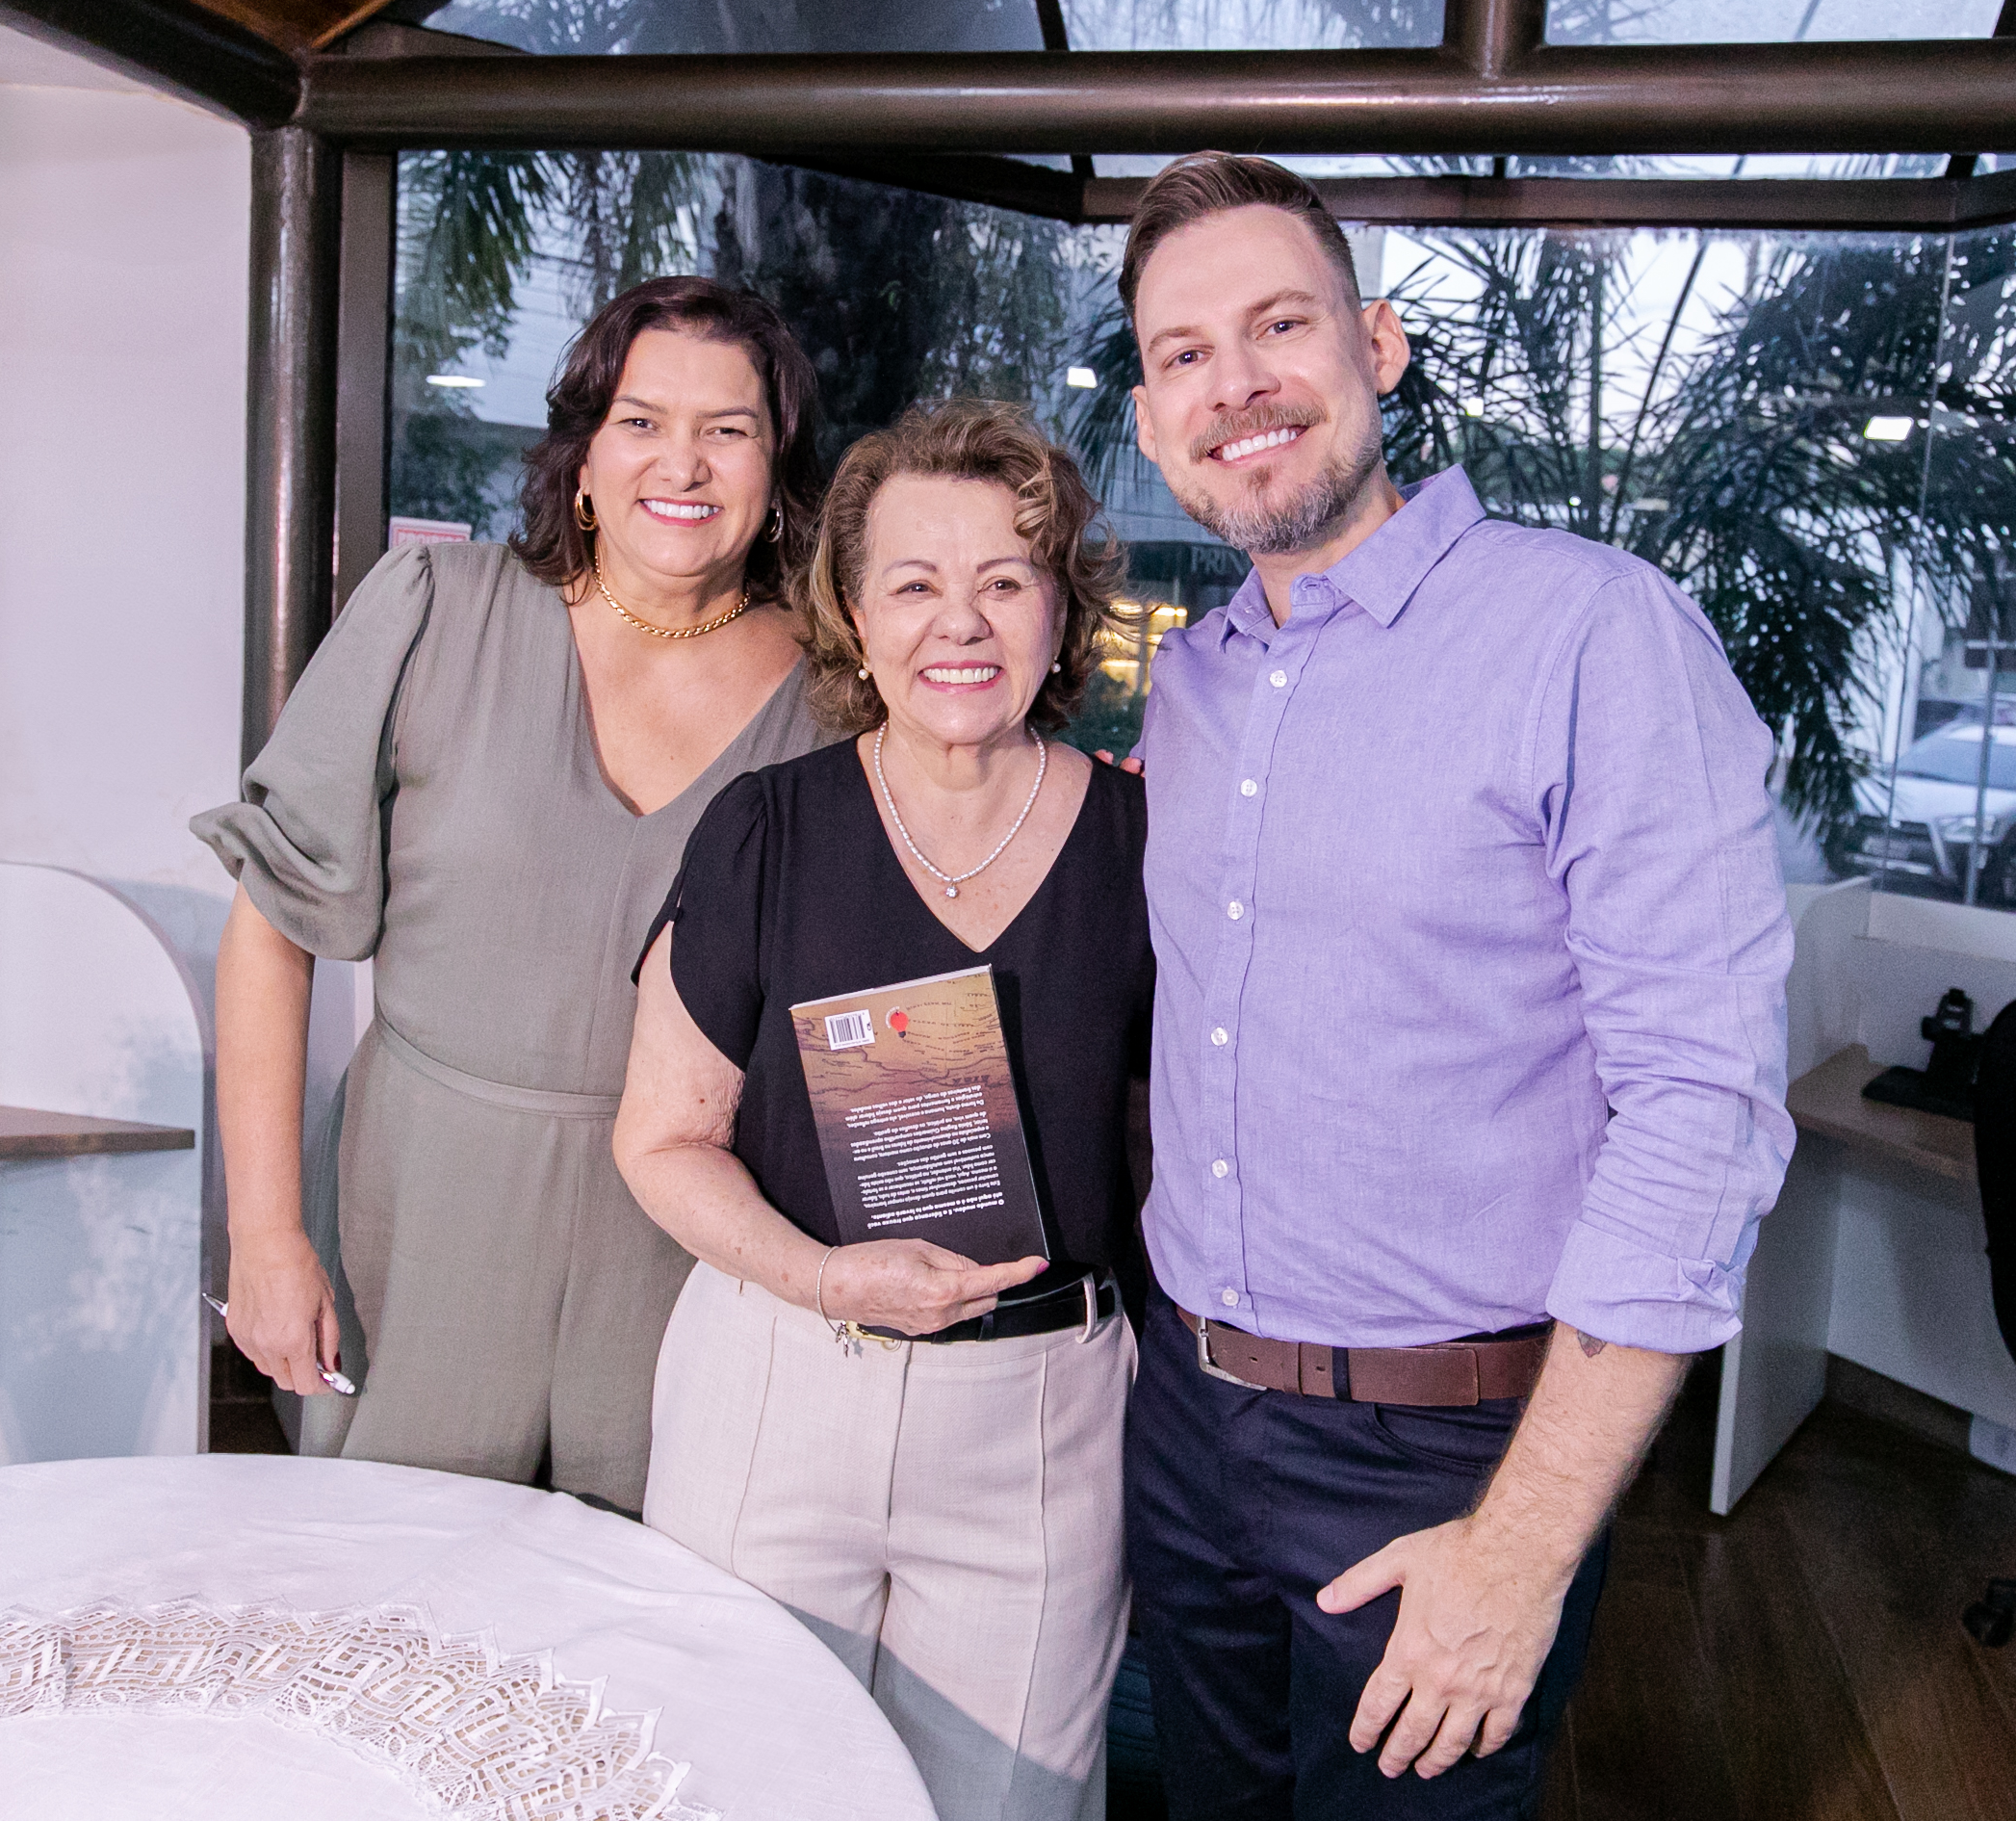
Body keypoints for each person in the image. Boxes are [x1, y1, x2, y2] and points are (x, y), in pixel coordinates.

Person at [1116, 152, 1795, 1819]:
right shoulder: (1190, 687)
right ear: (1149, 419)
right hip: (1184, 1413)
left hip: (1445, 1450)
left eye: (1281, 325)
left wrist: (1522, 1544)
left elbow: (1700, 1110)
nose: (1236, 383)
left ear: (1380, 346)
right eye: (1185, 352)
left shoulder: (1595, 634)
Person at [193, 276, 832, 1512]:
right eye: (641, 421)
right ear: (583, 459)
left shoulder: (835, 701)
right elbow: (270, 929)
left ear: (776, 472)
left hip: (683, 1243)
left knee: (650, 1599)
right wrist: (265, 1238)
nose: (682, 463)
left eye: (728, 428)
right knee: (389, 1586)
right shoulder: (435, 612)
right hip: (418, 1213)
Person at [613, 400, 1151, 1821]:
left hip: (1039, 1420)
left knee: (1011, 1803)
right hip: (779, 1381)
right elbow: (660, 1138)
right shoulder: (765, 828)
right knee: (737, 1788)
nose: (957, 622)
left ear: (1061, 607)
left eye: (1005, 579)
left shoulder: (1144, 846)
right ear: (854, 614)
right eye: (913, 582)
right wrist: (820, 1274)